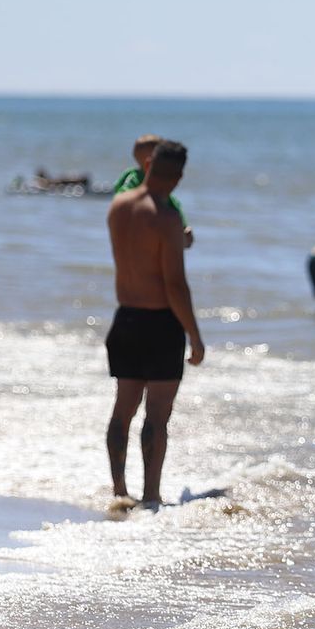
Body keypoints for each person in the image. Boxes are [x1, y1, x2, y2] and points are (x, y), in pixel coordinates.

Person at [103, 141, 205, 509]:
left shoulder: (119, 206)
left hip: (126, 318)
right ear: (178, 177)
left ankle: (118, 491)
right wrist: (195, 335)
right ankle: (150, 496)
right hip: (161, 323)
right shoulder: (166, 219)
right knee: (157, 417)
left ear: (147, 164)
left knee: (122, 410)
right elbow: (175, 285)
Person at [114, 134, 193, 248]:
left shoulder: (163, 190)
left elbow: (174, 205)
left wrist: (184, 226)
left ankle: (182, 234)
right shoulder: (134, 176)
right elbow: (122, 192)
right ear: (150, 161)